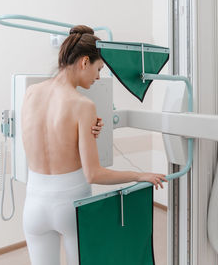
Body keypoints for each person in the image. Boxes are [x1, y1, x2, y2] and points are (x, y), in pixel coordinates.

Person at [21, 25, 167, 265]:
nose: (98, 77)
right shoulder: (82, 105)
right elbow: (93, 174)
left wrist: (82, 132)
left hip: (34, 205)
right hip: (69, 206)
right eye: (99, 69)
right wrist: (141, 175)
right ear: (84, 62)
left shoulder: (30, 93)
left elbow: (46, 135)